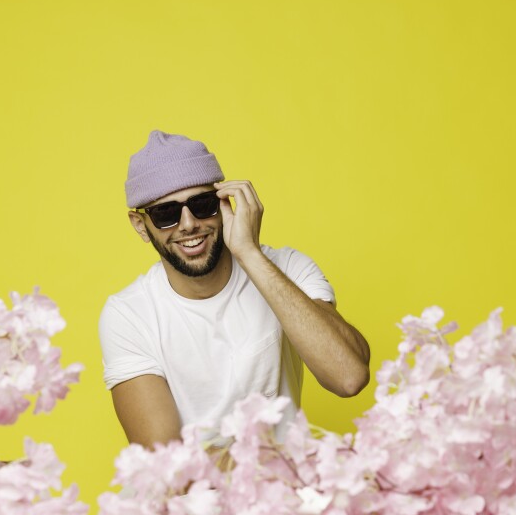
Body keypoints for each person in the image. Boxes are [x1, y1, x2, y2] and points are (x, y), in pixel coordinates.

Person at [98, 130, 370, 449]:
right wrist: (274, 469)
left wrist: (250, 253)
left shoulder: (286, 268)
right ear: (140, 225)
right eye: (166, 214)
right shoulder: (129, 314)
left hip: (283, 491)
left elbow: (348, 377)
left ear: (227, 203)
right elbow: (166, 467)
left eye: (202, 205)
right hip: (203, 496)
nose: (188, 224)